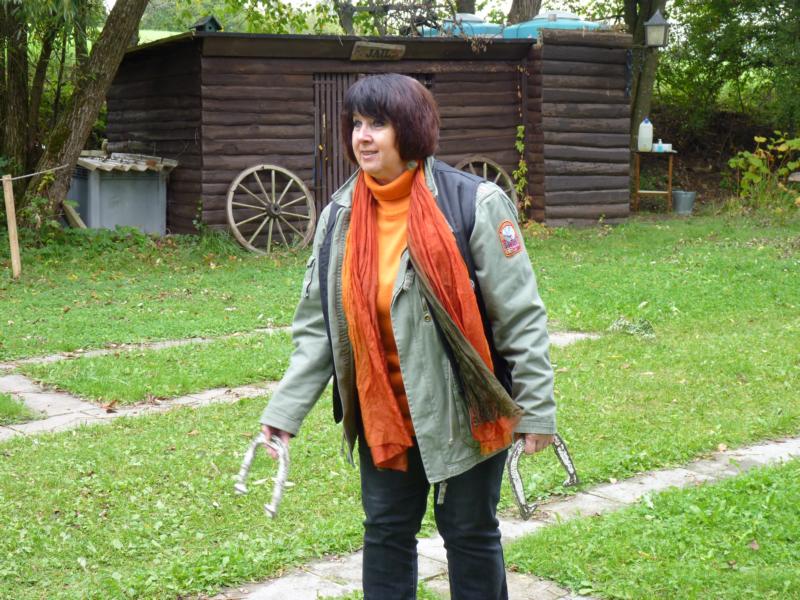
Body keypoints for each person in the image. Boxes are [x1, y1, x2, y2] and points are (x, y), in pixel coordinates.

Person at [260, 73, 555, 600]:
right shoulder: (340, 216)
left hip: (465, 407)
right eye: (357, 123)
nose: (363, 136)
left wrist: (536, 409)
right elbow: (320, 328)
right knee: (386, 533)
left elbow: (520, 317)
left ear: (411, 129)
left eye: (378, 124)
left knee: (470, 533)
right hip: (384, 411)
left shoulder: (474, 203)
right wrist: (285, 412)